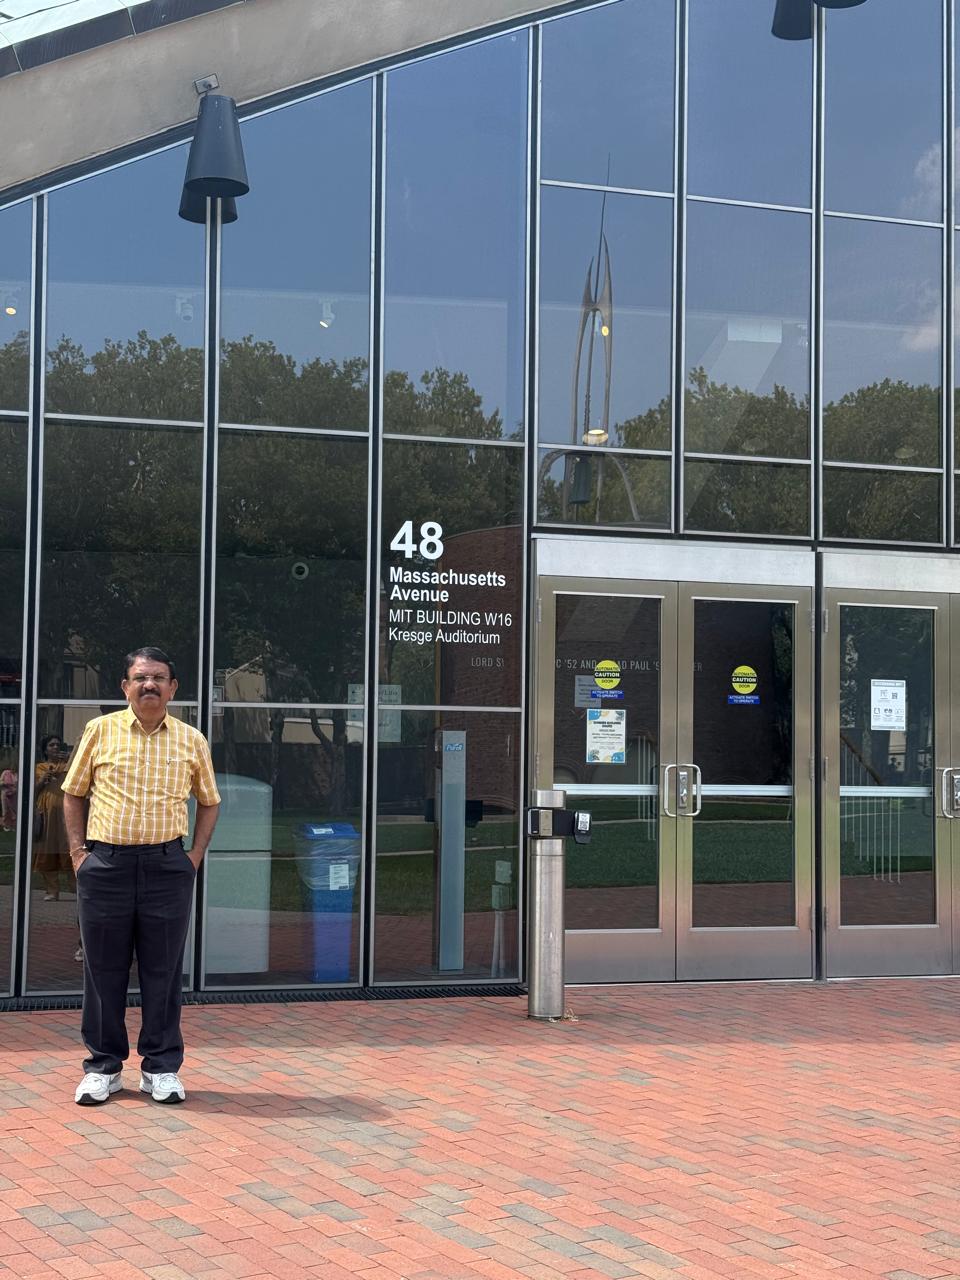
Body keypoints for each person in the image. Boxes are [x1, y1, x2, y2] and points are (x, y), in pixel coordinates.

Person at [62, 647, 220, 1107]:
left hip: (167, 868)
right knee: (102, 970)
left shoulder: (191, 739)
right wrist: (78, 854)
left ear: (173, 688)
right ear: (125, 686)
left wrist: (193, 857)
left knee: (163, 972)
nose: (149, 684)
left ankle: (161, 1068)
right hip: (105, 867)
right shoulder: (99, 731)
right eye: (140, 677)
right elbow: (73, 793)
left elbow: (209, 801)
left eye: (159, 678)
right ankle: (103, 1068)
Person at [33, 735, 71, 900]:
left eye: (58, 745)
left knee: (69, 848)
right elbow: (32, 792)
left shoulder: (68, 766)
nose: (55, 747)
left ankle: (76, 889)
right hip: (47, 813)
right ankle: (52, 890)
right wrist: (43, 779)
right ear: (45, 750)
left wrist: (69, 759)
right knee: (47, 850)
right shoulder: (39, 768)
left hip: (66, 813)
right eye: (51, 745)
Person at [1, 763, 17, 831]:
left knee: (14, 811)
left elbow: (17, 785)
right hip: (5, 794)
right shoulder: (5, 772)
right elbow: (0, 782)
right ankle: (6, 825)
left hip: (13, 795)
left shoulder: (16, 775)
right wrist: (4, 783)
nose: (13, 769)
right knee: (5, 811)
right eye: (12, 767)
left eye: (14, 768)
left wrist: (14, 789)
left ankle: (13, 826)